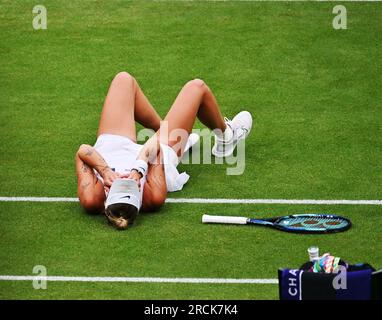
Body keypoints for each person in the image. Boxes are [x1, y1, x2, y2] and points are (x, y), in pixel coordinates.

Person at [75, 71, 252, 229]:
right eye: (130, 187)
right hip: (156, 157)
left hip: (112, 148)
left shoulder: (92, 199)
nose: (123, 179)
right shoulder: (153, 197)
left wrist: (105, 171)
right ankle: (227, 138)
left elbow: (83, 150)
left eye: (117, 186)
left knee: (124, 79)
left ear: (107, 201)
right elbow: (154, 147)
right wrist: (138, 170)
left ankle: (175, 132)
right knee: (196, 87)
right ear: (139, 199)